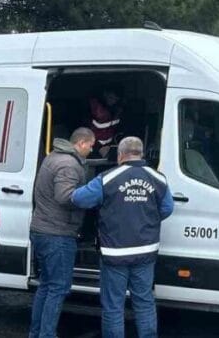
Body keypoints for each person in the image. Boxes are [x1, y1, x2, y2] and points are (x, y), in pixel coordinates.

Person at [72, 137, 174, 338]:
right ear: (141, 154)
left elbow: (79, 199)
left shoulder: (108, 178)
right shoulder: (158, 178)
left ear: (120, 155)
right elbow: (168, 208)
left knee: (113, 307)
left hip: (115, 253)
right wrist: (147, 219)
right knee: (144, 303)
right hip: (146, 251)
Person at [28, 127, 96, 338]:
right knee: (58, 287)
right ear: (82, 143)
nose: (92, 150)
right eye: (91, 146)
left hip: (42, 229)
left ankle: (37, 333)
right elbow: (65, 196)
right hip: (57, 233)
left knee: (47, 285)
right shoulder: (68, 164)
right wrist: (93, 194)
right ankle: (47, 335)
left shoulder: (53, 157)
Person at [88, 89, 123, 158]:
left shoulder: (113, 109)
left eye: (116, 99)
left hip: (106, 144)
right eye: (111, 98)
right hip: (95, 144)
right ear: (105, 95)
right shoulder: (98, 109)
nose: (113, 101)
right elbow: (102, 124)